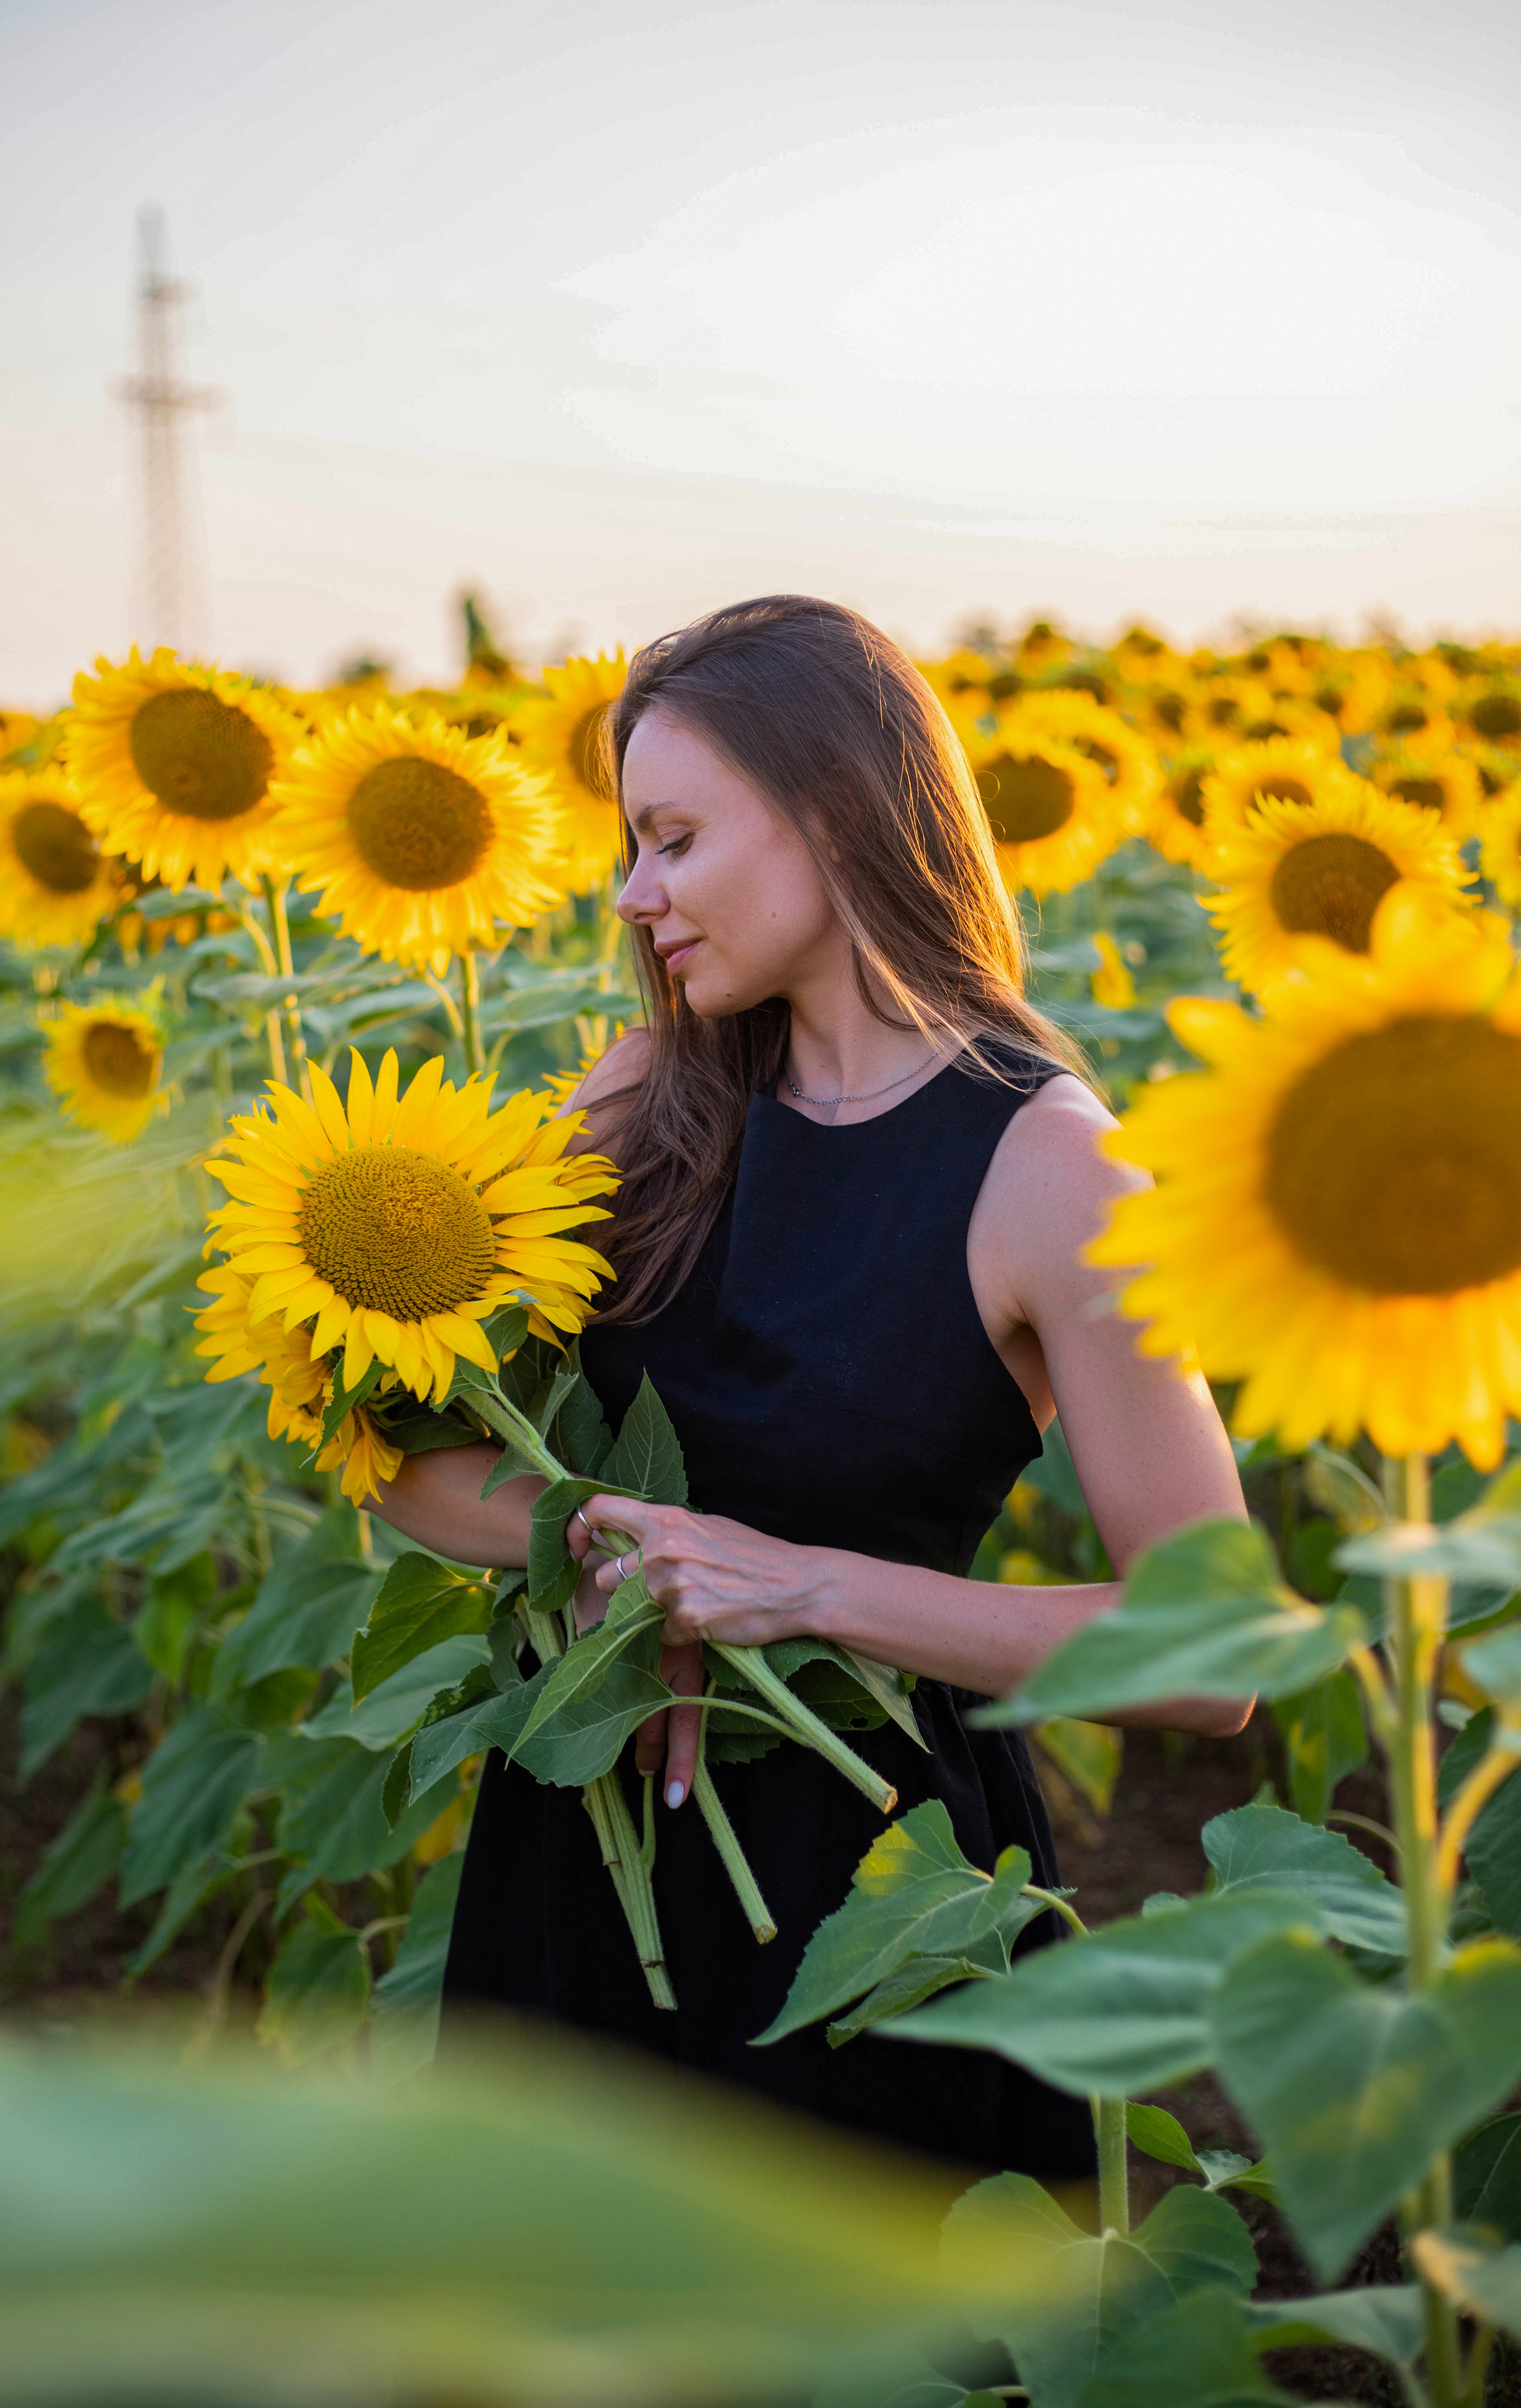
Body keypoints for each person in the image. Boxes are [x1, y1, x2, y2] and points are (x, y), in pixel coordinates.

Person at [372, 595, 1249, 2181]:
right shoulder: (643, 1102)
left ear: (833, 812)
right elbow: (405, 1455)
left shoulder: (1052, 1171)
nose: (635, 896)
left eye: (674, 838)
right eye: (630, 849)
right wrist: (609, 1570)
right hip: (590, 1839)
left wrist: (800, 1592)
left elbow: (1212, 1650)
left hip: (873, 1886)